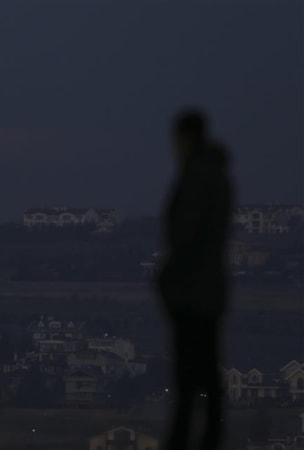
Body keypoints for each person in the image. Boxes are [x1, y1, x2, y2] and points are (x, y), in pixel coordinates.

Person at [157, 108, 233, 450]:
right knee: (204, 373)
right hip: (206, 291)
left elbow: (187, 236)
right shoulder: (213, 176)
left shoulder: (198, 178)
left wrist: (168, 279)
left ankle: (188, 440)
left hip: (192, 293)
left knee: (190, 376)